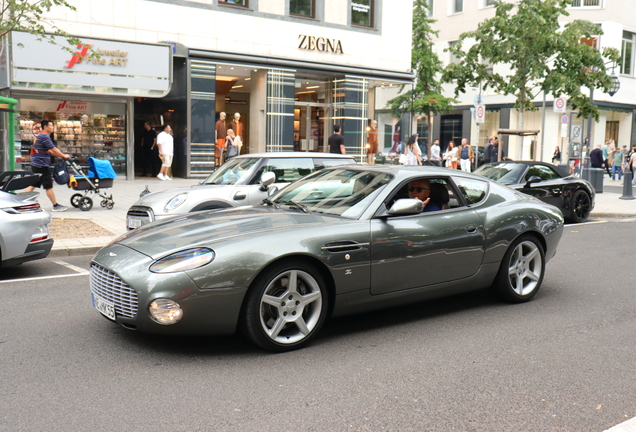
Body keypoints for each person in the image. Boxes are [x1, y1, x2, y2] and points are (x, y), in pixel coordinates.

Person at [24, 120, 71, 211]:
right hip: (42, 165)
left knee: (34, 184)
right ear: (45, 127)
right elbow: (53, 149)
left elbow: (51, 152)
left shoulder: (41, 135)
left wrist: (61, 156)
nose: (53, 127)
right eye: (51, 125)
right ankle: (55, 205)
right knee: (48, 186)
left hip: (37, 164)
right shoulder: (44, 136)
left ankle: (20, 201)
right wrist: (63, 155)